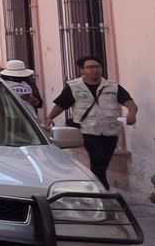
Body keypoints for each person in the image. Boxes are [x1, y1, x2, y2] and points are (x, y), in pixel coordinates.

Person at [46, 57, 137, 189]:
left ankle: (97, 186)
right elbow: (61, 104)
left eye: (97, 67)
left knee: (103, 161)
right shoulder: (74, 87)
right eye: (90, 67)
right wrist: (49, 118)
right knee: (97, 159)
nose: (95, 70)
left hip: (110, 130)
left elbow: (130, 102)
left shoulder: (113, 86)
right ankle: (102, 188)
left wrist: (131, 114)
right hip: (87, 131)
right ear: (83, 71)